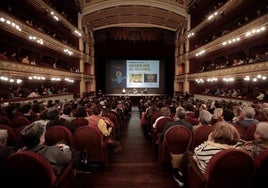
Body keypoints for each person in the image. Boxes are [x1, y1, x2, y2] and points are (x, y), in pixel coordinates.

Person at [173, 121, 240, 186]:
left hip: (205, 179)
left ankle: (180, 178)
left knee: (188, 154)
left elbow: (196, 153)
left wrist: (208, 141)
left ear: (216, 134)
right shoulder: (237, 150)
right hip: (226, 181)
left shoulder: (208, 148)